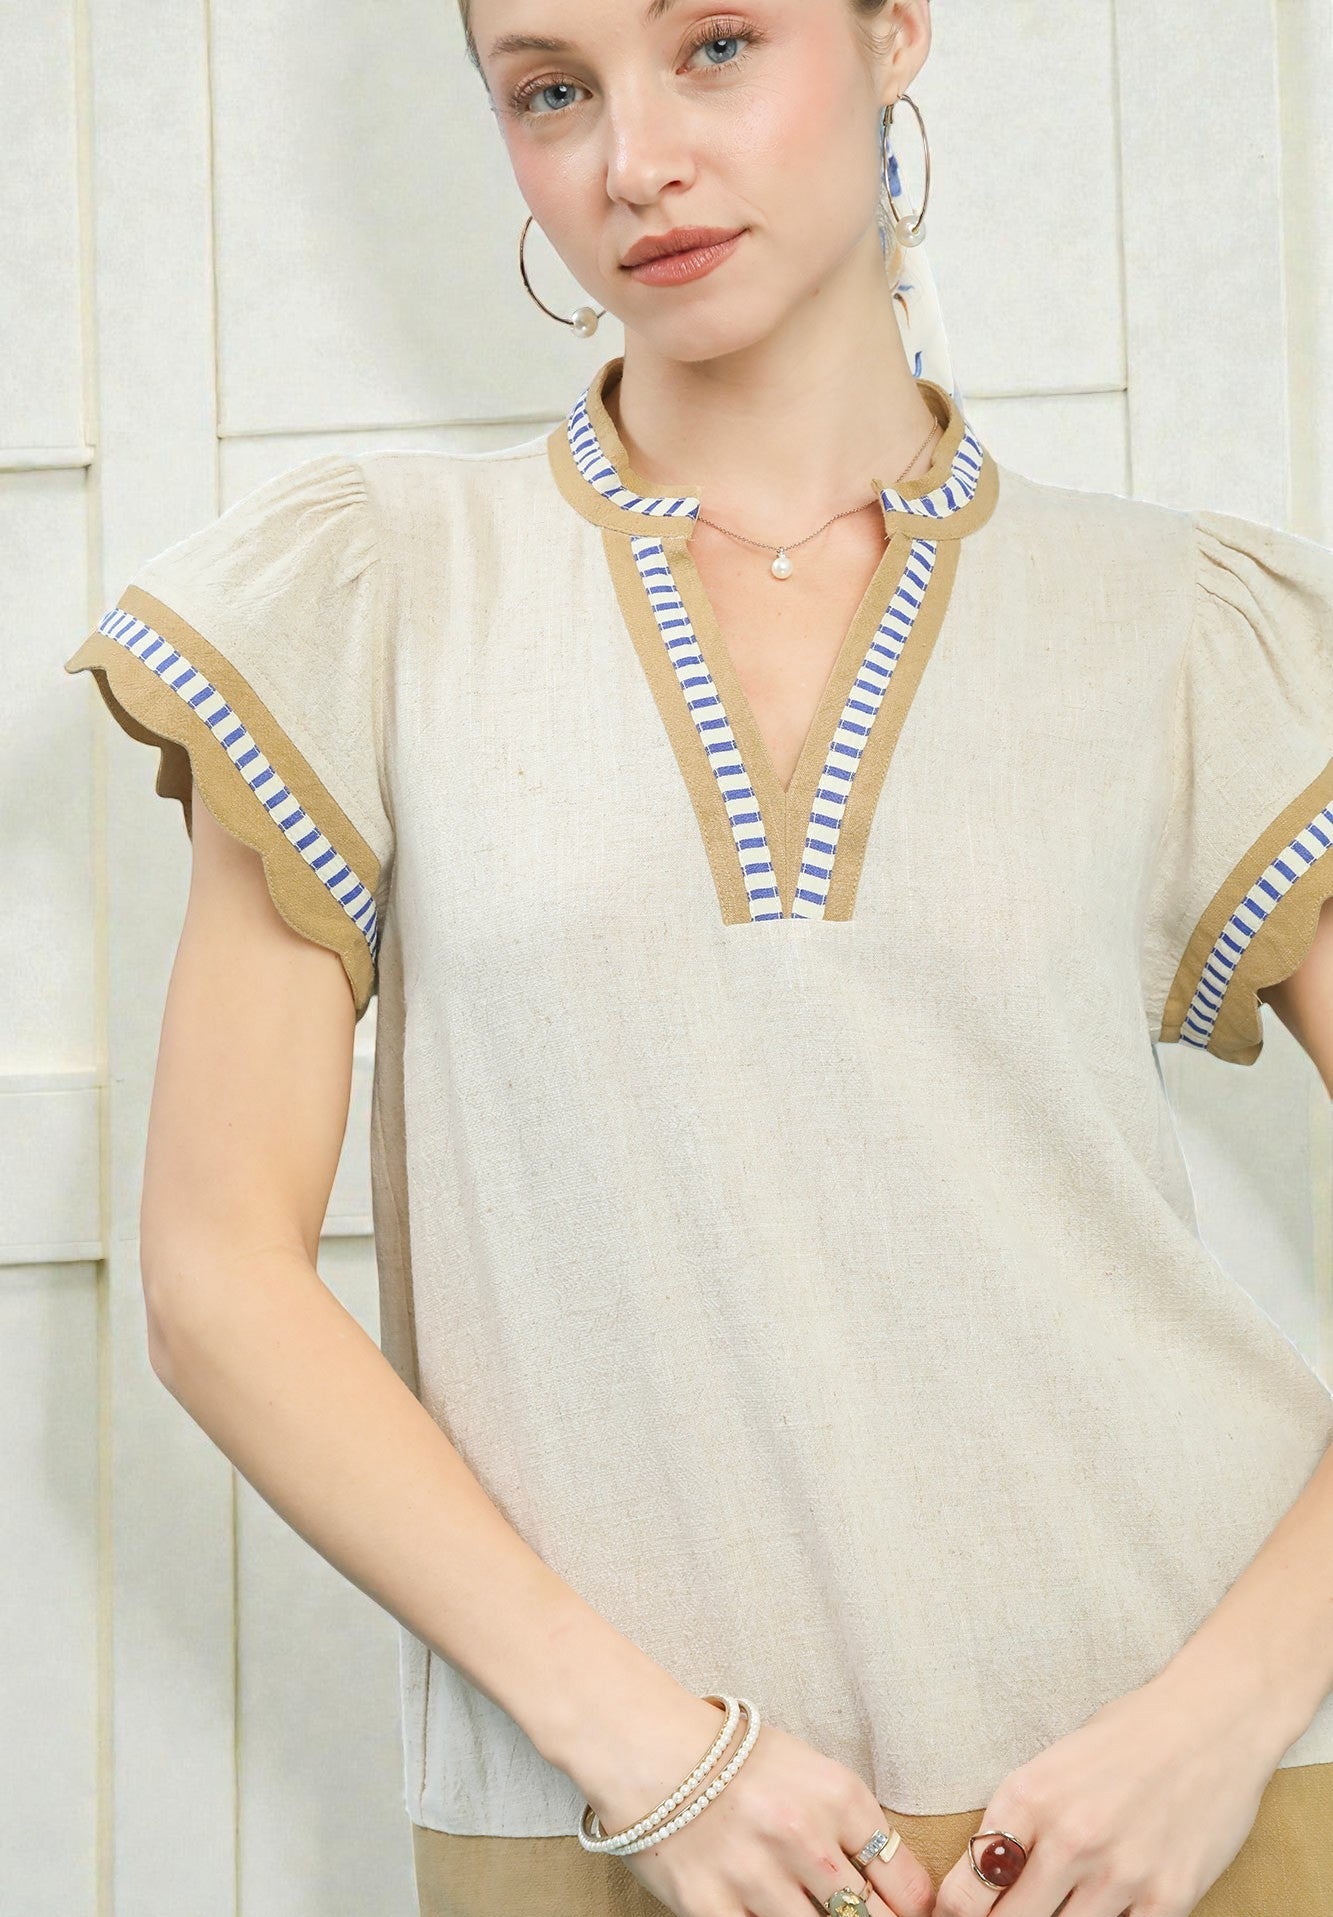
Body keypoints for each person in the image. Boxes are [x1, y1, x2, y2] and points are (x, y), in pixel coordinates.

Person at [63, 2, 1333, 1914]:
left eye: (715, 45)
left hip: (1162, 1822)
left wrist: (1220, 1721)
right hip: (619, 1821)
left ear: (893, 30)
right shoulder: (375, 590)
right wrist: (647, 1744)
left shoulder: (1180, 621)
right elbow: (214, 1280)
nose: (631, 156)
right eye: (551, 90)